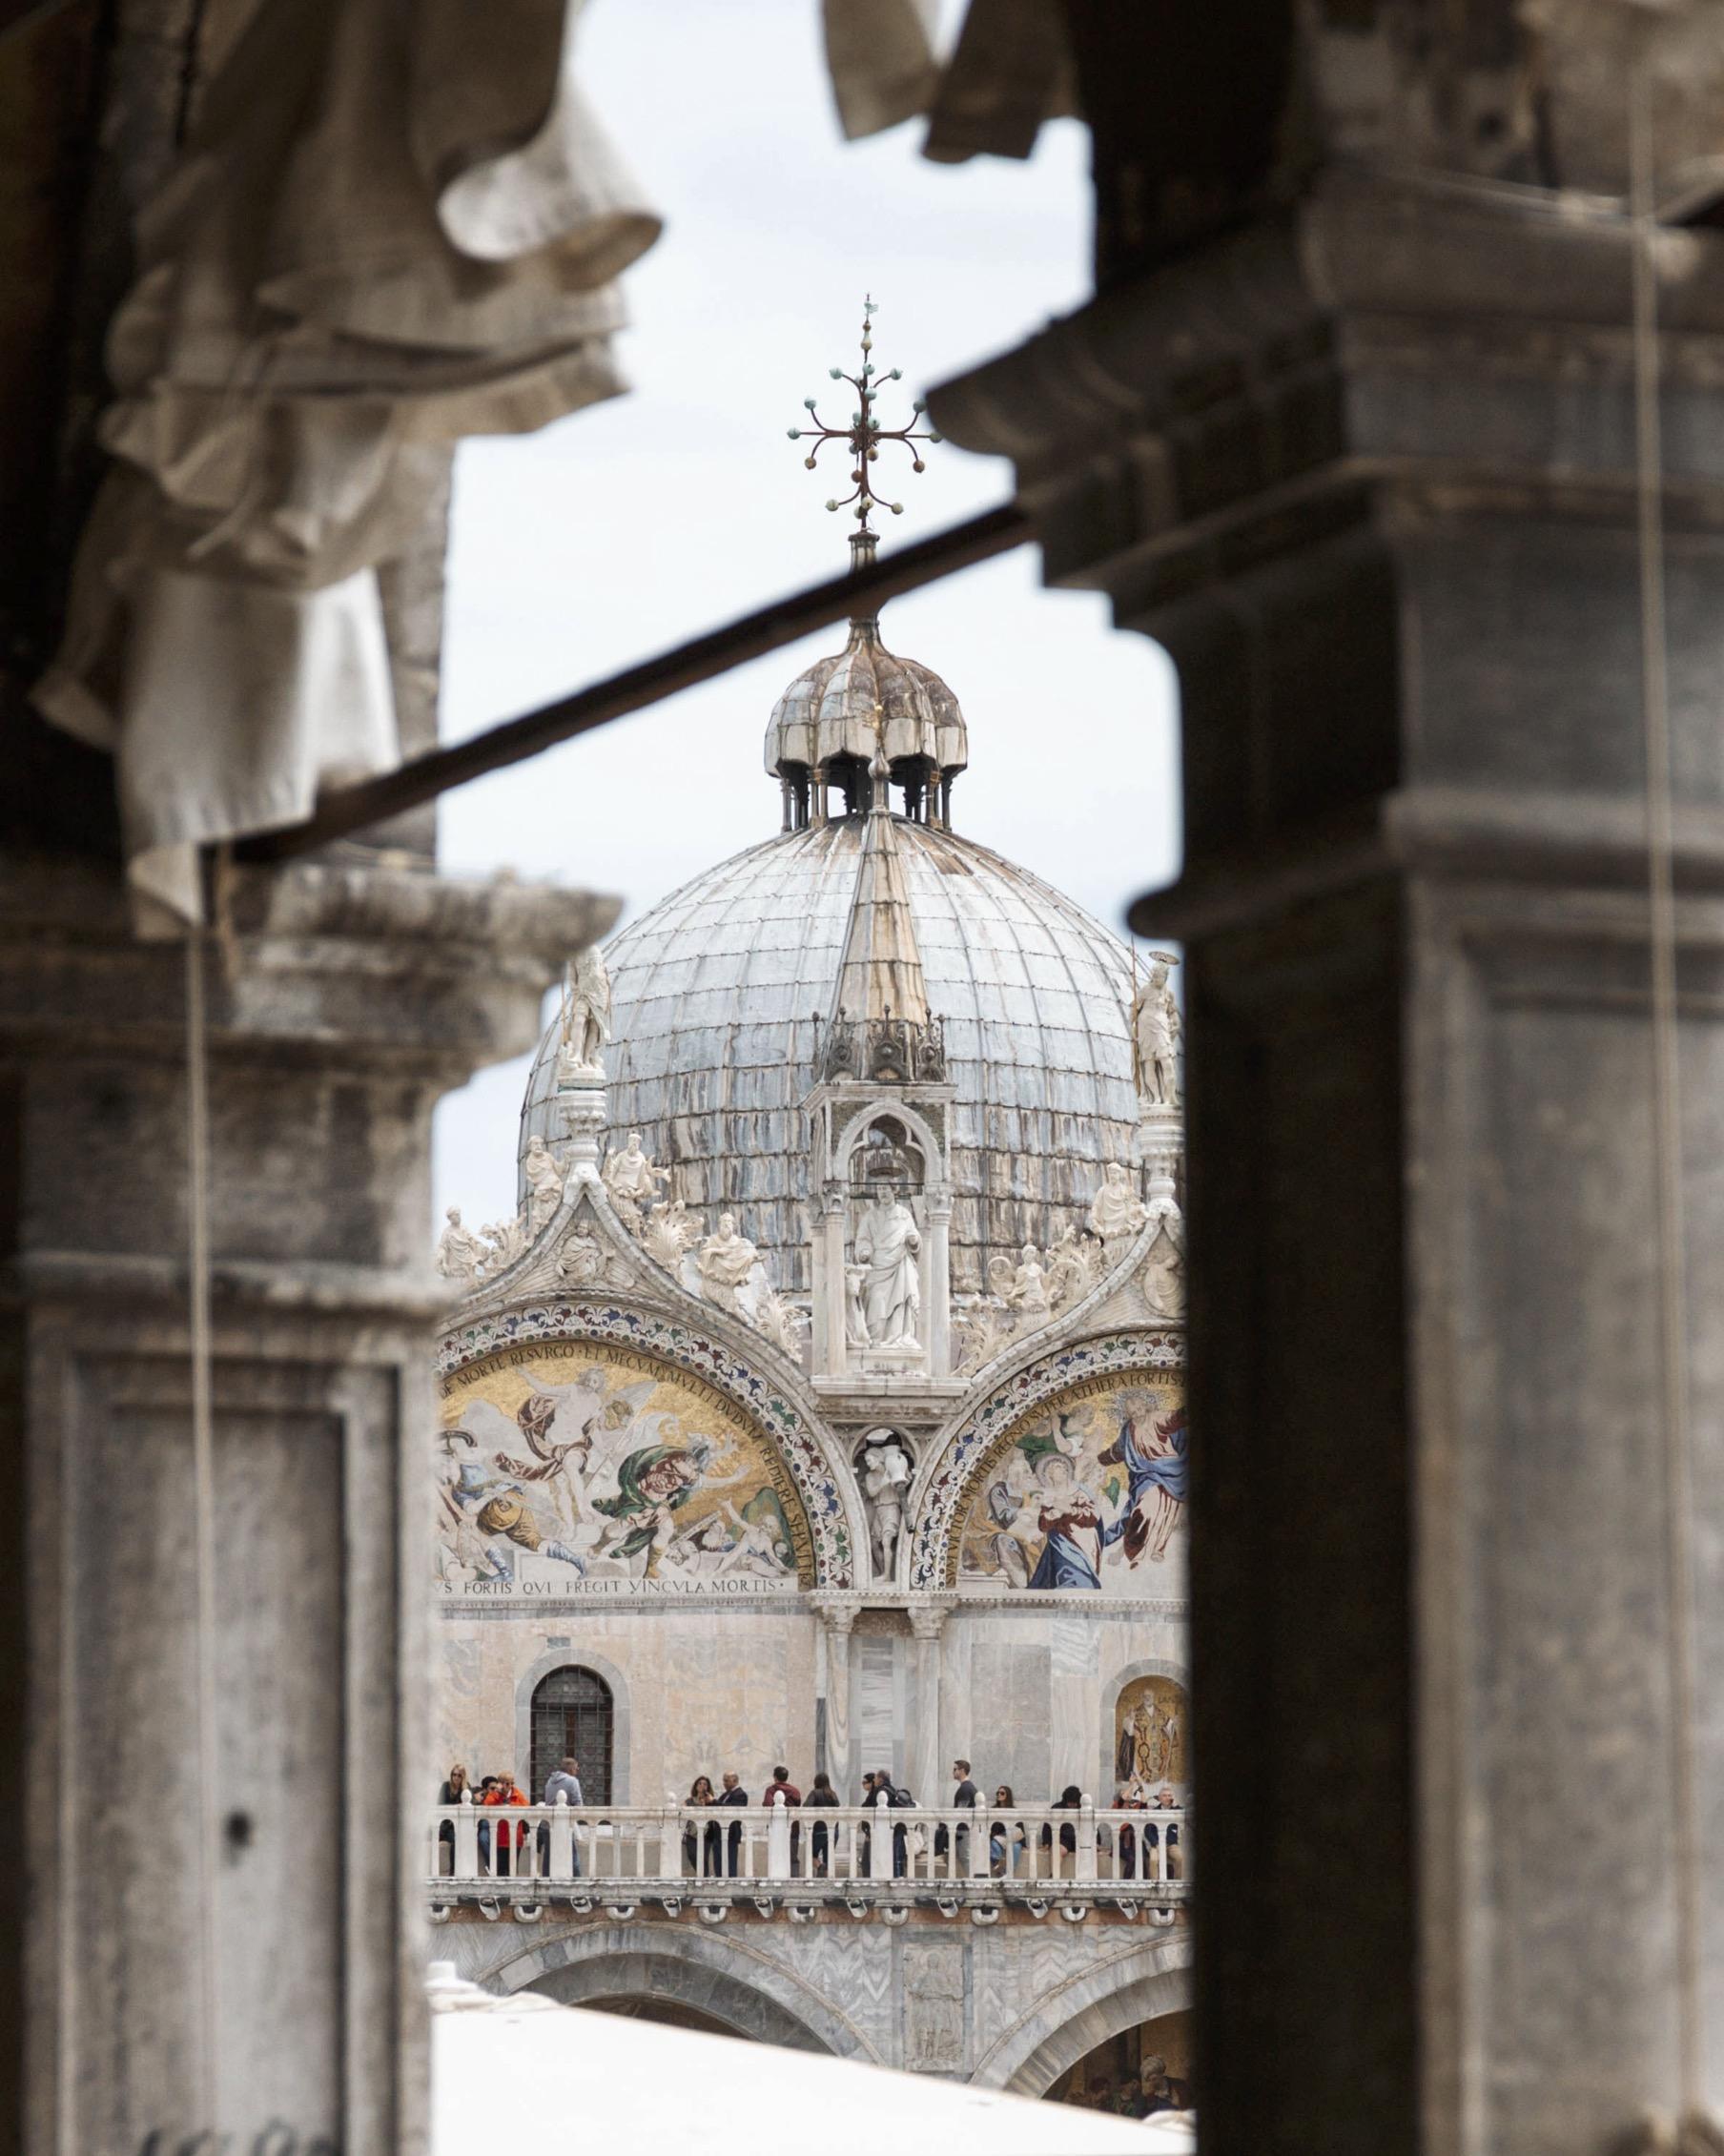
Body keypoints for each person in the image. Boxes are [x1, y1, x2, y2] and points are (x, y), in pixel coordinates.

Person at [538, 1755, 584, 1878]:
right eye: (576, 1768)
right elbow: (578, 1805)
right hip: (564, 1826)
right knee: (572, 1857)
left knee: (548, 1857)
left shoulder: (550, 1780)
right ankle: (579, 1887)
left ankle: (546, 1885)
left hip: (548, 1825)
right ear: (570, 1769)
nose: (577, 1771)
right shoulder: (572, 1781)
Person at [482, 1771, 528, 1878]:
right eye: (507, 1783)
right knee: (501, 1870)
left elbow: (526, 1807)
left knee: (512, 1870)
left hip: (515, 1838)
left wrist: (510, 1804)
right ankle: (502, 1895)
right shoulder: (494, 1795)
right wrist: (499, 1795)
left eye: (512, 1783)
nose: (510, 1786)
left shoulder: (517, 1793)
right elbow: (487, 1805)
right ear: (501, 1784)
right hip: (500, 1839)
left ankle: (510, 1894)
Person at [934, 1756, 976, 1866]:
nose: (953, 1772)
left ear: (962, 1771)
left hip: (963, 1831)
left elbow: (961, 1811)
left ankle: (976, 1882)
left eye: (955, 1769)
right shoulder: (967, 1787)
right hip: (963, 1830)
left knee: (965, 1859)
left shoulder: (965, 1789)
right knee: (955, 1858)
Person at [764, 1763, 802, 1872]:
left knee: (776, 1855)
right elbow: (798, 1804)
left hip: (776, 1829)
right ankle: (794, 1879)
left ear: (775, 1777)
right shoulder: (795, 1791)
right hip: (793, 1828)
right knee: (793, 1857)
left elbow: (768, 1804)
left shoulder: (771, 1790)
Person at [436, 1763, 471, 1874]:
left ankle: (457, 1871)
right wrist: (457, 1806)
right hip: (447, 1825)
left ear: (463, 1777)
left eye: (459, 1775)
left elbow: (472, 1803)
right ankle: (453, 1872)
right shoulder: (446, 1786)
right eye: (454, 1774)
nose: (456, 1777)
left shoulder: (466, 1788)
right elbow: (440, 1804)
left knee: (460, 1840)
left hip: (461, 1825)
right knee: (456, 1840)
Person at [805, 1770, 840, 1877]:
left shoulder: (815, 1793)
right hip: (833, 1831)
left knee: (811, 1854)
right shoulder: (833, 1794)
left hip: (819, 1830)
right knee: (828, 1858)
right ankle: (826, 1878)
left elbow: (807, 1806)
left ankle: (819, 1866)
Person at [682, 1775, 719, 1877]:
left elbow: (714, 1815)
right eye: (700, 1783)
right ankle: (704, 1876)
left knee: (704, 1858)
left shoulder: (710, 1800)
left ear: (708, 1787)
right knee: (692, 1856)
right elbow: (682, 1813)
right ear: (696, 1786)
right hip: (692, 1834)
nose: (702, 1785)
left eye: (705, 1784)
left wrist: (706, 1804)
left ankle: (704, 1878)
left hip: (706, 1835)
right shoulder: (689, 1801)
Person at [717, 1769, 749, 1877]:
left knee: (730, 1865)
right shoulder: (726, 1794)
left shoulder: (740, 1794)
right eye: (724, 1780)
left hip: (731, 1834)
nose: (724, 1783)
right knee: (719, 1865)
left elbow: (732, 1809)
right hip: (719, 1834)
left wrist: (713, 1801)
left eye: (726, 1780)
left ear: (735, 1781)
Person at [1040, 1783, 1082, 1866]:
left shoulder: (1083, 1809)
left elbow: (1091, 1827)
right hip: (1063, 1840)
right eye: (1070, 1803)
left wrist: (1097, 1841)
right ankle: (1055, 1876)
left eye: (1074, 1803)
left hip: (1080, 1839)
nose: (1072, 1805)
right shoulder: (1057, 1808)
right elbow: (1047, 1827)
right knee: (1057, 1850)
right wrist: (1046, 1842)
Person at [989, 1783, 1022, 1876]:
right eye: (998, 1793)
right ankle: (996, 1865)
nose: (999, 1794)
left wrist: (1024, 1843)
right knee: (994, 1843)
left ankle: (1007, 1872)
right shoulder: (993, 1809)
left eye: (1002, 1793)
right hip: (997, 1838)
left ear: (1008, 1795)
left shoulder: (1014, 1810)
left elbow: (1019, 1828)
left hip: (1010, 1837)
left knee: (1017, 1847)